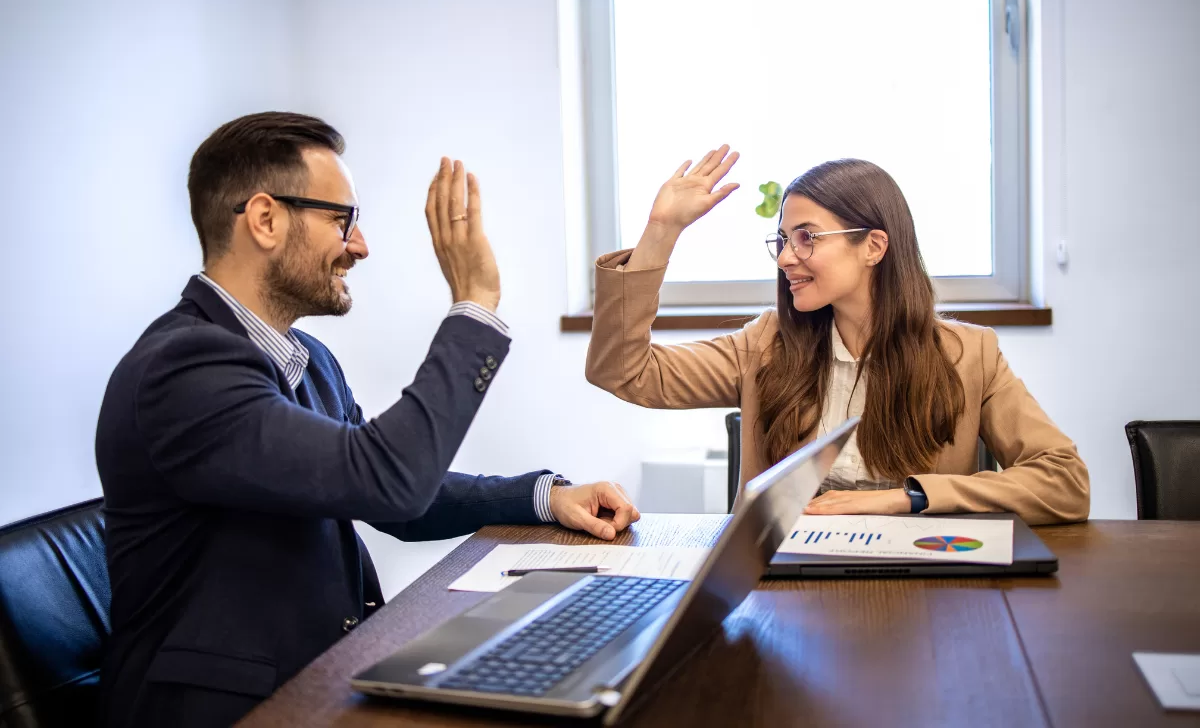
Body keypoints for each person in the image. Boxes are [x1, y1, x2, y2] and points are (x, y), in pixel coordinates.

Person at [95, 112, 640, 727]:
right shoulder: (183, 368)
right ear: (265, 219)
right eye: (342, 218)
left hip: (322, 677)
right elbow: (388, 477)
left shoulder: (309, 360)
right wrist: (475, 304)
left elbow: (386, 495)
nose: (360, 245)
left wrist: (543, 498)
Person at [586, 146, 1088, 525]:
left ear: (873, 246)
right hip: (786, 589)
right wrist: (660, 232)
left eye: (807, 237)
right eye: (782, 240)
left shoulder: (970, 355)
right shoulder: (764, 346)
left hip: (925, 592)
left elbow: (1064, 481)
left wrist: (907, 496)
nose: (785, 257)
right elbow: (623, 372)